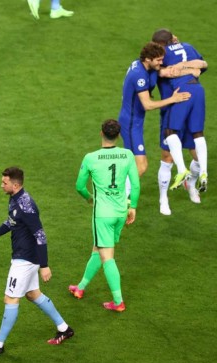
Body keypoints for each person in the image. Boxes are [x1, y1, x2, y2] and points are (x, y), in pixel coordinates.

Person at [0, 167, 74, 357]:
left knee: (10, 298)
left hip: (25, 260)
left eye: (5, 183)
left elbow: (40, 235)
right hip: (25, 257)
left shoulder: (26, 206)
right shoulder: (15, 199)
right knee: (32, 294)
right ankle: (64, 328)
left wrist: (44, 265)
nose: (1, 185)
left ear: (16, 184)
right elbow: (11, 222)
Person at [70, 119, 140, 312]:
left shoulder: (91, 158)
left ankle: (118, 302)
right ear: (118, 135)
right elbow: (135, 185)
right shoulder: (127, 155)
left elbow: (79, 187)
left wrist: (89, 198)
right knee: (98, 249)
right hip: (120, 213)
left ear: (101, 133)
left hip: (102, 215)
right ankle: (80, 287)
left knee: (107, 256)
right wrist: (132, 206)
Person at [118, 42, 191, 189]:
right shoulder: (139, 75)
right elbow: (148, 105)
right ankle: (117, 195)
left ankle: (119, 194)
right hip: (130, 124)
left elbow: (164, 72)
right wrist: (173, 99)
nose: (161, 62)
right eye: (158, 60)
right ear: (148, 59)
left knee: (135, 165)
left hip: (135, 120)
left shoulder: (145, 66)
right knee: (141, 166)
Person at [152, 29, 209, 193]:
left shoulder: (162, 54)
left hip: (177, 98)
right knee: (198, 133)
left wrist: (180, 67)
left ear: (160, 45)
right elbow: (203, 64)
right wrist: (190, 68)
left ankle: (183, 171)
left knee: (170, 133)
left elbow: (164, 71)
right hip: (197, 91)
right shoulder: (188, 46)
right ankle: (203, 173)